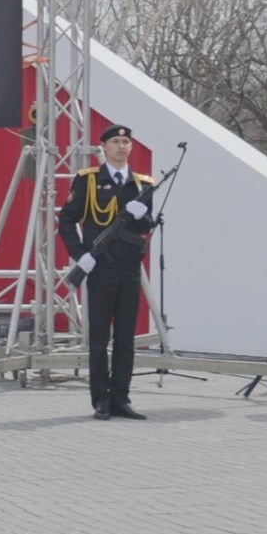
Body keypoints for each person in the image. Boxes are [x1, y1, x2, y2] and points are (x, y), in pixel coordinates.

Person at [59, 125, 158, 421]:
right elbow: (67, 220)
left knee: (126, 338)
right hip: (100, 268)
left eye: (126, 141)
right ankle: (100, 399)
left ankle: (121, 398)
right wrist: (81, 255)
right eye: (115, 141)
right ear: (104, 146)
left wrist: (145, 217)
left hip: (130, 270)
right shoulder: (88, 180)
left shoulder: (142, 184)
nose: (122, 146)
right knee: (100, 338)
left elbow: (145, 227)